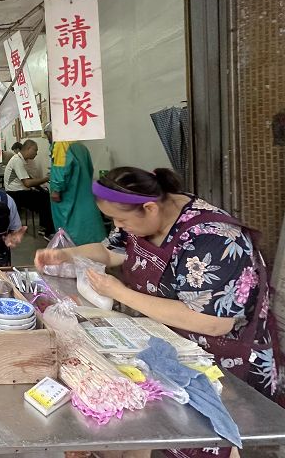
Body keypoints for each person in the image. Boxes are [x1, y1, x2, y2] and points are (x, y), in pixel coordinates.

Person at [35, 167, 282, 422]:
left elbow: (213, 322)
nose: (118, 226)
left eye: (121, 220)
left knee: (210, 437)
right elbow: (112, 251)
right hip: (172, 345)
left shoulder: (212, 239)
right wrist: (66, 255)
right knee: (166, 428)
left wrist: (119, 292)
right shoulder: (140, 214)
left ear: (150, 208)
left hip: (224, 363)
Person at [44, 123, 105, 244]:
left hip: (69, 195)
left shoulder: (61, 144)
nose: (47, 139)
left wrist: (56, 189)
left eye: (47, 135)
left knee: (71, 224)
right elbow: (89, 168)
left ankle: (74, 248)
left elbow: (60, 169)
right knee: (86, 221)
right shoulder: (80, 146)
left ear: (53, 133)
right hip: (83, 191)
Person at [4, 140, 54, 236]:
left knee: (44, 194)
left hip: (18, 191)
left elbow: (28, 178)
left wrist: (40, 187)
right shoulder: (17, 161)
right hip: (15, 194)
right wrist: (46, 179)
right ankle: (48, 231)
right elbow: (27, 183)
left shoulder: (22, 160)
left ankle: (44, 226)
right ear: (28, 148)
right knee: (45, 200)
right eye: (35, 150)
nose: (36, 153)